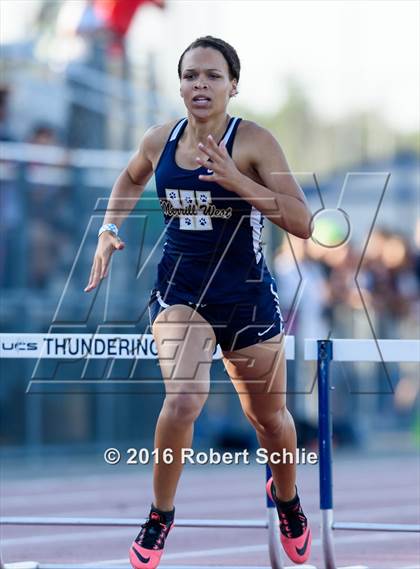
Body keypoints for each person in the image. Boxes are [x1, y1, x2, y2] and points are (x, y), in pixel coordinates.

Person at [84, 36, 313, 568]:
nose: (200, 85)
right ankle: (160, 515)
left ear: (234, 85)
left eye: (212, 76)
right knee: (184, 399)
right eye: (190, 76)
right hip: (181, 293)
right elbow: (130, 176)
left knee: (270, 420)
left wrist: (236, 180)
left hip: (246, 296)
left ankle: (287, 498)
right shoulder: (161, 138)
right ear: (180, 84)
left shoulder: (254, 141)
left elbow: (301, 222)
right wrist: (108, 228)